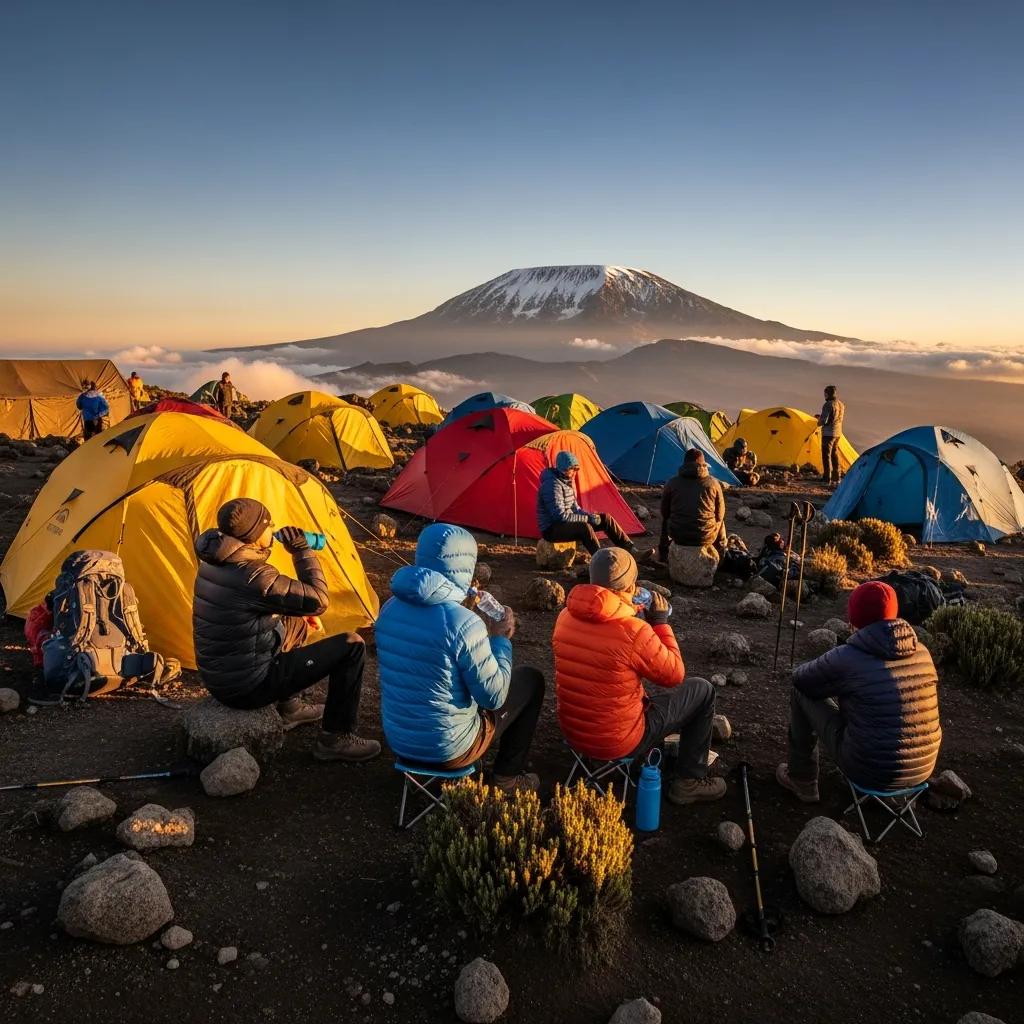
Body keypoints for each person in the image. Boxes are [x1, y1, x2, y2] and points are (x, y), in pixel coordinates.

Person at [192, 497, 380, 762]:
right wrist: (302, 551)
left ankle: (290, 707)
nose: (274, 529)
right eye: (269, 526)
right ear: (255, 535)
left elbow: (286, 604)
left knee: (295, 619)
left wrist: (298, 616)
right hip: (247, 687)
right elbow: (318, 601)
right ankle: (336, 738)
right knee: (351, 646)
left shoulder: (215, 561)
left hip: (222, 675)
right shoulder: (255, 575)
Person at [375, 522, 545, 792]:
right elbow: (493, 697)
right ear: (466, 565)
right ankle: (507, 778)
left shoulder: (389, 608)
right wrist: (500, 639)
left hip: (400, 742)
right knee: (531, 681)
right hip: (450, 750)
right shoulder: (463, 623)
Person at [553, 547, 725, 805]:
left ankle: (599, 759)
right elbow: (674, 675)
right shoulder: (632, 630)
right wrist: (660, 623)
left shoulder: (565, 616)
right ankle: (689, 781)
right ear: (630, 585)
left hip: (575, 733)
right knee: (701, 690)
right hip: (619, 741)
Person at [776, 581, 942, 802]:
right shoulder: (922, 652)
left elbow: (801, 678)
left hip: (868, 771)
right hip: (922, 769)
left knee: (801, 692)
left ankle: (802, 779)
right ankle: (893, 790)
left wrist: (835, 675)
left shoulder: (849, 656)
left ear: (854, 619)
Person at [537, 450, 644, 557]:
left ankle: (631, 550)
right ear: (563, 469)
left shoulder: (567, 482)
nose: (574, 472)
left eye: (576, 469)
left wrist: (590, 516)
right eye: (571, 469)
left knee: (605, 519)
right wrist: (588, 519)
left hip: (565, 523)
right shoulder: (552, 485)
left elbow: (576, 509)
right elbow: (560, 517)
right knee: (584, 527)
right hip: (551, 529)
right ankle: (600, 560)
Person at [658, 448, 726, 561]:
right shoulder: (714, 483)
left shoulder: (672, 483)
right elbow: (720, 515)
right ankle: (721, 554)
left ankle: (664, 553)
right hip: (706, 536)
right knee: (720, 522)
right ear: (704, 465)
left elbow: (664, 512)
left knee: (666, 520)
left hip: (678, 535)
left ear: (684, 464)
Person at [817, 384, 846, 486]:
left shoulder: (828, 405)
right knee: (835, 454)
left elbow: (823, 421)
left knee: (826, 455)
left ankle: (826, 478)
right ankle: (836, 478)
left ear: (827, 394)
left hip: (828, 433)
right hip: (838, 433)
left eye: (825, 393)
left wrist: (818, 420)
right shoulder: (841, 405)